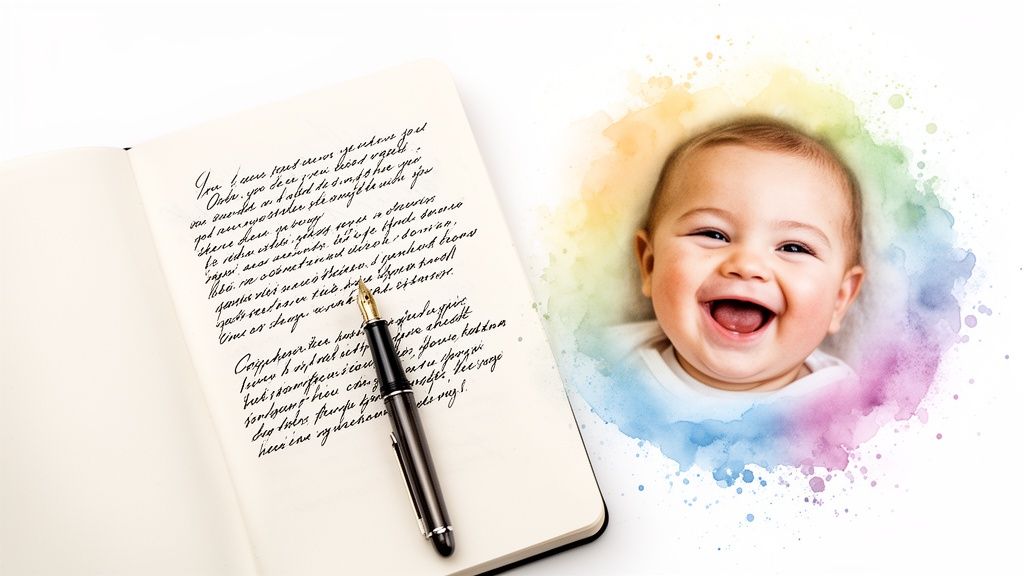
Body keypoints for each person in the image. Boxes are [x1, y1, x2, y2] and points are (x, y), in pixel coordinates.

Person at [612, 118, 865, 418]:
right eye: (713, 234)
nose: (747, 265)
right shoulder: (600, 364)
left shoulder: (848, 413)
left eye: (793, 248)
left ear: (839, 299)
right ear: (650, 265)